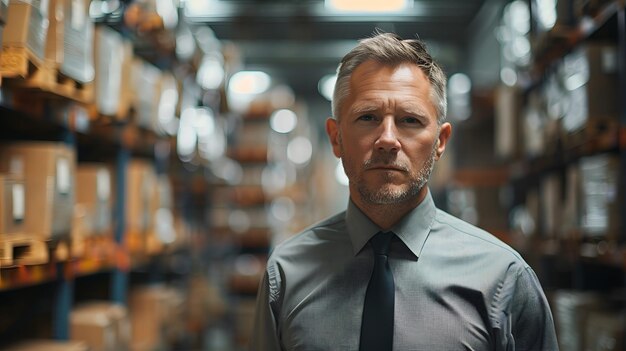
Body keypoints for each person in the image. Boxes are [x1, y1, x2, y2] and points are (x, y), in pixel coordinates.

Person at [251, 32, 559, 351]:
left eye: (410, 120)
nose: (387, 139)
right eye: (367, 117)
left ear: (440, 141)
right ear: (336, 137)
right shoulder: (286, 274)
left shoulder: (503, 279)